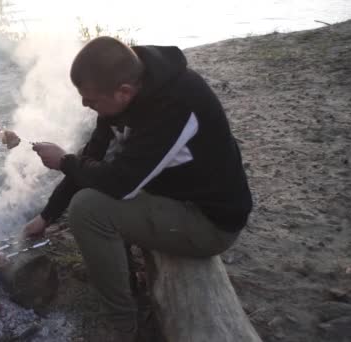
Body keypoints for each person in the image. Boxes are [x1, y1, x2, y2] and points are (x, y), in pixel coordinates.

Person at [24, 36, 252, 340]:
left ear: (124, 92)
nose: (84, 104)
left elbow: (118, 184)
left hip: (209, 222)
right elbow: (92, 160)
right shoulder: (122, 96)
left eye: (90, 100)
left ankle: (123, 327)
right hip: (171, 195)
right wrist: (47, 216)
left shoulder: (176, 103)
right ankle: (127, 282)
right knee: (90, 186)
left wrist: (64, 162)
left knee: (87, 210)